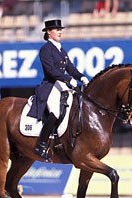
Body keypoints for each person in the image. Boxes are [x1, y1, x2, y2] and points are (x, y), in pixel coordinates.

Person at [28, 19, 89, 161]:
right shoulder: (46, 49)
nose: (60, 31)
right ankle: (41, 145)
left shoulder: (61, 49)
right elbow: (51, 70)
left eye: (60, 29)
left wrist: (81, 77)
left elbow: (70, 68)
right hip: (51, 86)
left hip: (62, 84)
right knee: (55, 113)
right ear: (49, 32)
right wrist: (68, 79)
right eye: (57, 30)